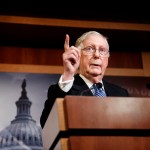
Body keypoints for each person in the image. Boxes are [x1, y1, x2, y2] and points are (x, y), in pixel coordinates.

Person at [40, 31, 129, 128]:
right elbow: (47, 124)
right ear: (78, 55)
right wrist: (68, 74)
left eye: (102, 50)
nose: (97, 55)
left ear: (107, 59)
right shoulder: (64, 90)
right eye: (90, 49)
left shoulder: (121, 94)